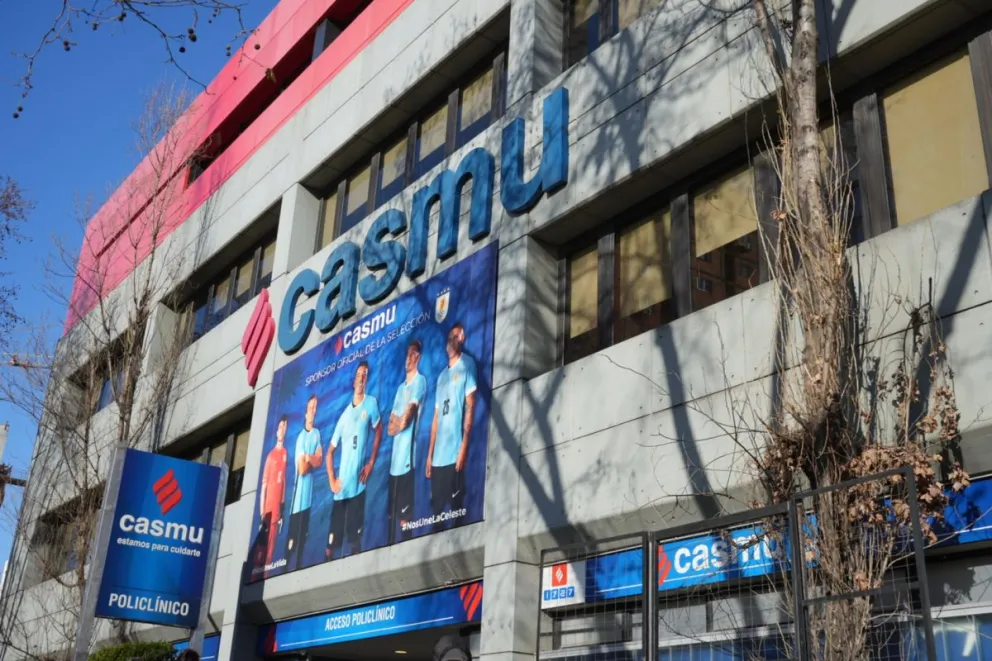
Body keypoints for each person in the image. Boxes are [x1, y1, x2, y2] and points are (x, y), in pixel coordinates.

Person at [326, 361, 382, 559]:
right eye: (359, 373)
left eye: (365, 374)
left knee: (355, 545)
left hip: (358, 489)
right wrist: (332, 480)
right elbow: (329, 453)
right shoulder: (344, 417)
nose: (362, 376)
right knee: (330, 549)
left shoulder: (371, 403)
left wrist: (371, 463)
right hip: (340, 494)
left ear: (367, 379)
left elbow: (379, 430)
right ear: (353, 380)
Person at [426, 323, 476, 531]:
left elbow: (471, 406)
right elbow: (436, 418)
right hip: (438, 459)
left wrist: (464, 446)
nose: (451, 342)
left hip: (454, 455)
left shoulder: (467, 365)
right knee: (435, 518)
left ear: (462, 338)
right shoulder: (440, 377)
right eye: (449, 338)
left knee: (457, 514)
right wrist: (429, 456)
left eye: (455, 337)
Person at [387, 340, 427, 544]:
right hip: (393, 466)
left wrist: (400, 421)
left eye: (413, 354)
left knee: (405, 522)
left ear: (418, 357)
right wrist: (398, 422)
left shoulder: (419, 382)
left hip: (406, 464)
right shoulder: (400, 389)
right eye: (407, 354)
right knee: (389, 520)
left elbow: (405, 421)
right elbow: (390, 426)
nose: (408, 358)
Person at [288, 394, 322, 570]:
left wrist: (309, 459)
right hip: (297, 504)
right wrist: (311, 459)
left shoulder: (317, 434)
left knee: (302, 547)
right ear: (305, 413)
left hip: (308, 502)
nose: (313, 411)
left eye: (315, 407)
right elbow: (301, 469)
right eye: (310, 408)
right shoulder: (301, 437)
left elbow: (320, 460)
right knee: (290, 549)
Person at [259, 415, 289, 572]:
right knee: (264, 558)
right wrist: (262, 514)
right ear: (276, 431)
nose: (282, 429)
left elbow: (283, 481)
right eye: (280, 427)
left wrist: (282, 511)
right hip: (268, 514)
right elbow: (263, 487)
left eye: (285, 426)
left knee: (271, 556)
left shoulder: (285, 453)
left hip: (277, 514)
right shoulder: (270, 457)